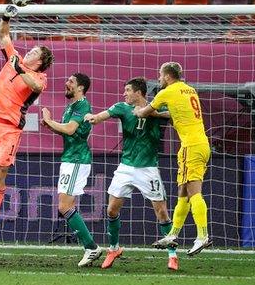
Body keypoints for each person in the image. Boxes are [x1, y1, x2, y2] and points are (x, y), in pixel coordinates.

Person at [0, 5, 54, 244]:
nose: (29, 53)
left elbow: (35, 87)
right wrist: (6, 16)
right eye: (30, 50)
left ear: (41, 62)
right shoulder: (14, 58)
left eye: (35, 52)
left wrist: (19, 67)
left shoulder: (39, 77)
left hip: (10, 129)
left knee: (0, 173)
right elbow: (3, 34)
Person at [85, 77, 177, 270]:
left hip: (148, 168)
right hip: (125, 167)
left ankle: (172, 255)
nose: (124, 94)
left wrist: (151, 114)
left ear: (139, 92)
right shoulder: (122, 108)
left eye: (128, 90)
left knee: (161, 212)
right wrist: (93, 118)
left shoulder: (156, 106)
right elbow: (104, 115)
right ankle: (114, 248)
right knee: (111, 210)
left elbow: (176, 115)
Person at [134, 62, 212, 256]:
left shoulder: (166, 92)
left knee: (194, 192)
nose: (159, 79)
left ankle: (202, 236)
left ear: (167, 76)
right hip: (202, 144)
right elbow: (179, 112)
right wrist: (160, 113)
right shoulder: (189, 90)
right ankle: (172, 234)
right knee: (183, 192)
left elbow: (144, 112)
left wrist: (137, 111)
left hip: (190, 146)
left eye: (160, 75)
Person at [41, 73, 102, 267]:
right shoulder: (71, 107)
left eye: (71, 81)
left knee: (64, 206)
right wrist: (50, 126)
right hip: (70, 159)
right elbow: (65, 130)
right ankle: (90, 246)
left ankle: (91, 247)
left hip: (77, 159)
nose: (66, 83)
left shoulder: (83, 105)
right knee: (64, 206)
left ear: (81, 88)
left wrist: (49, 121)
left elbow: (69, 130)